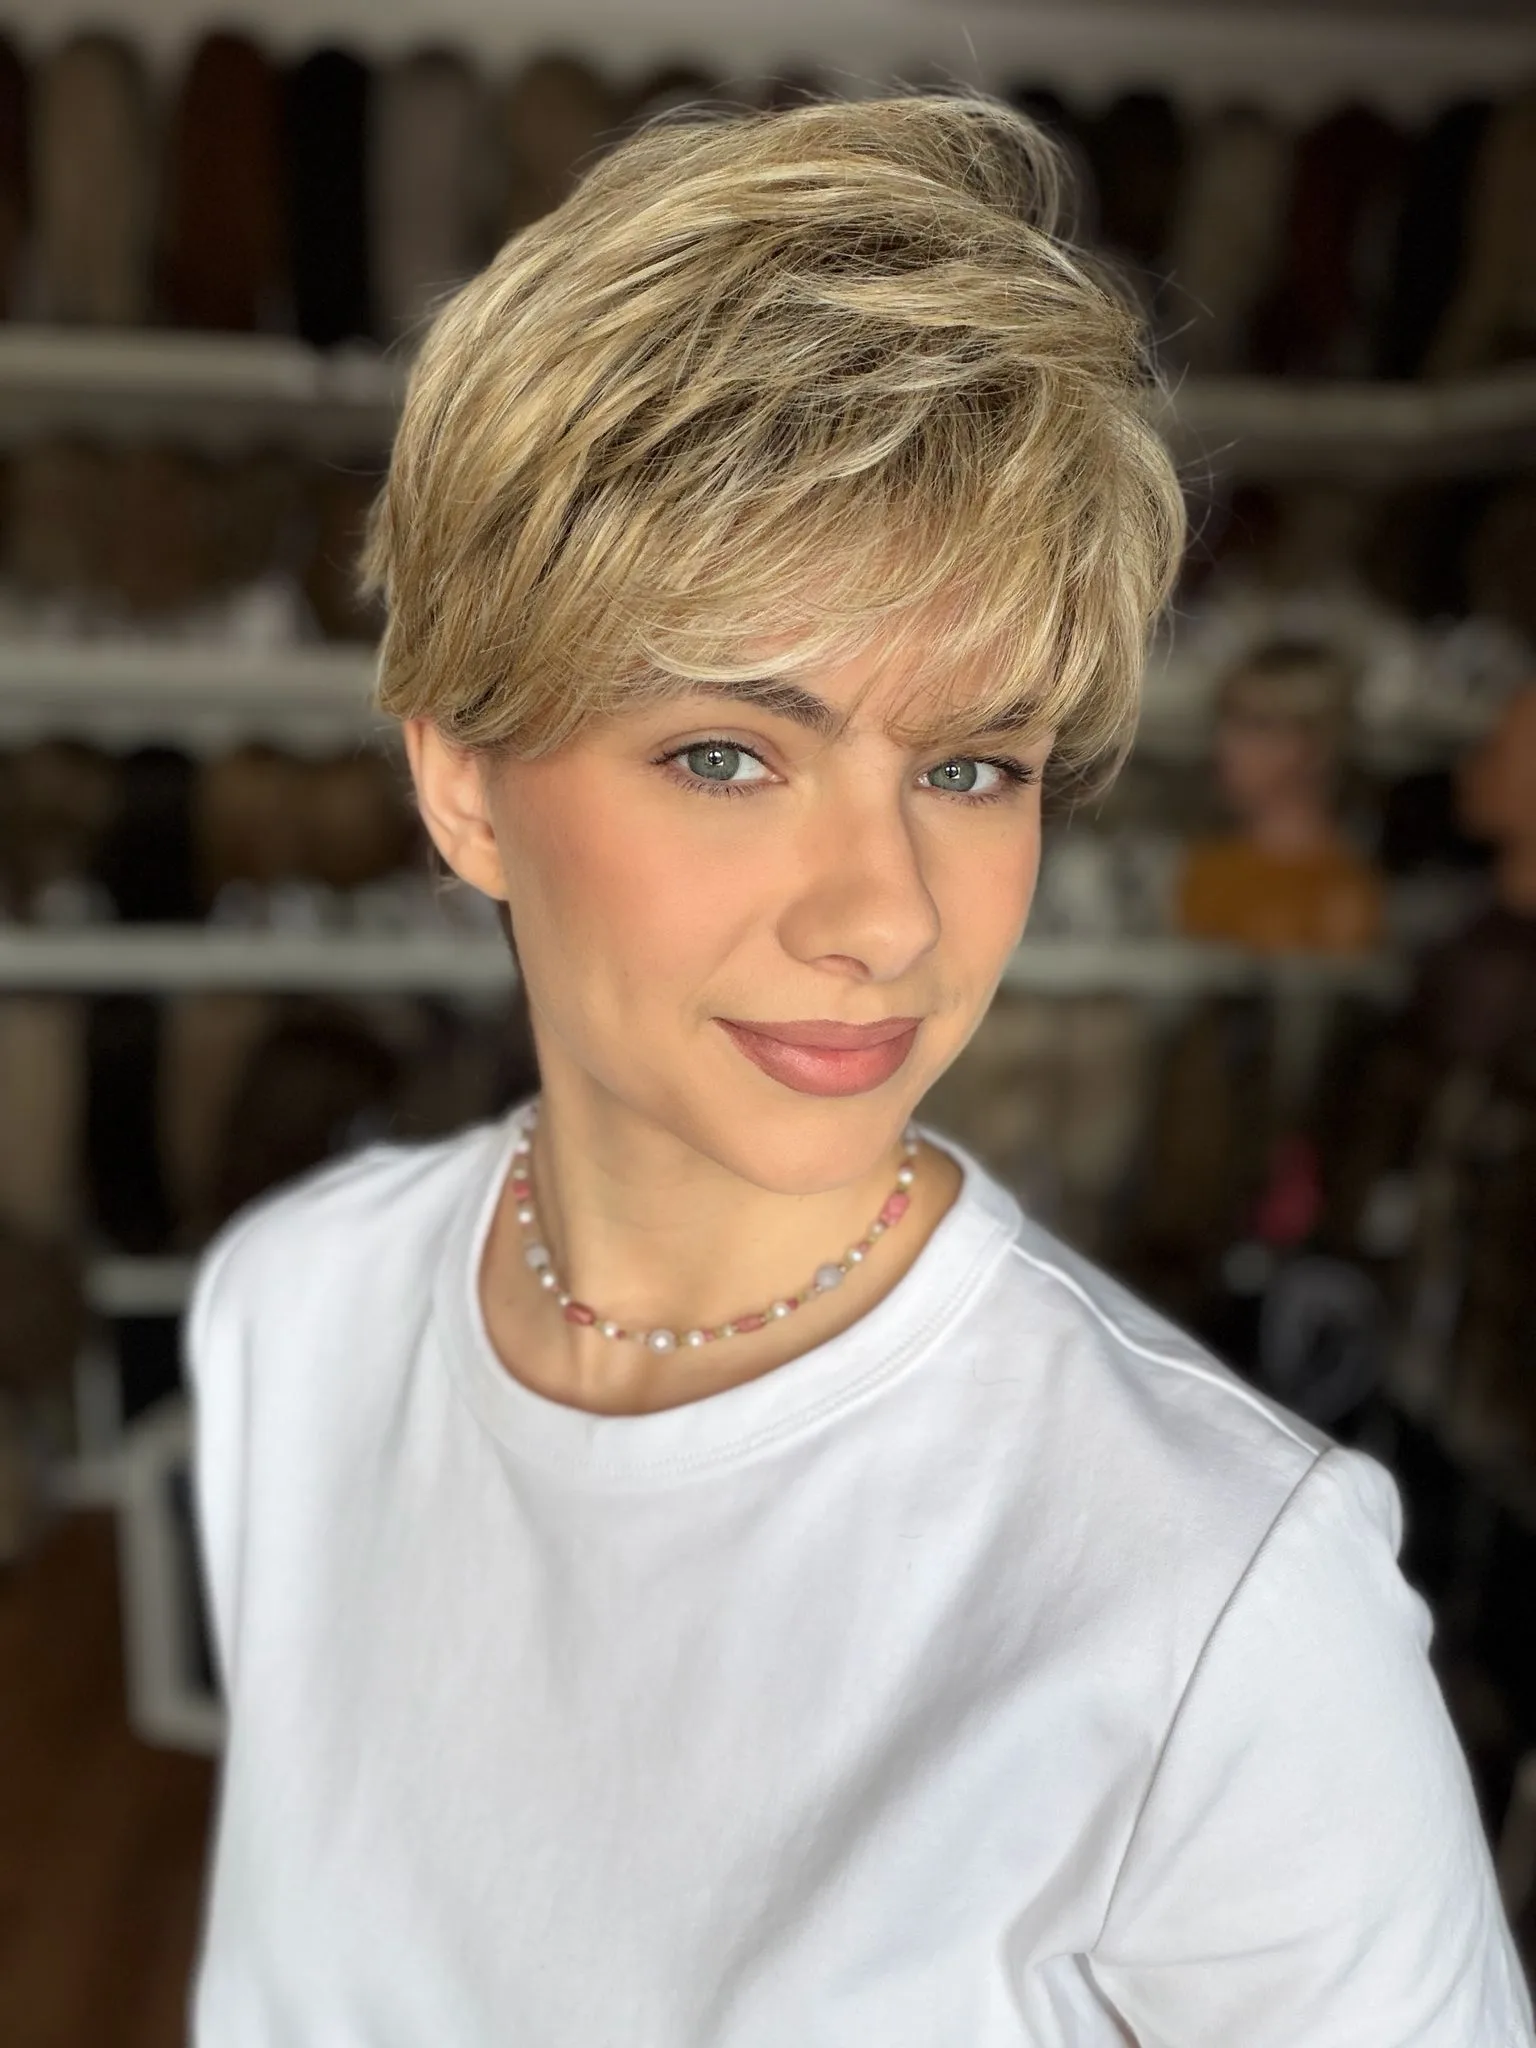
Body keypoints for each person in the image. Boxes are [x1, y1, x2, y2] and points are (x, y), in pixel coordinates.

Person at [184, 94, 1533, 2045]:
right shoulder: (293, 1316)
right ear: (463, 784)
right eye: (731, 753)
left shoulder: (1220, 1600)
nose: (889, 914)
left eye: (971, 765)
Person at [1177, 637, 1386, 954]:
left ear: (1316, 744)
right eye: (1227, 722)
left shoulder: (1340, 893)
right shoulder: (1207, 867)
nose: (1226, 745)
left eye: (1257, 725)